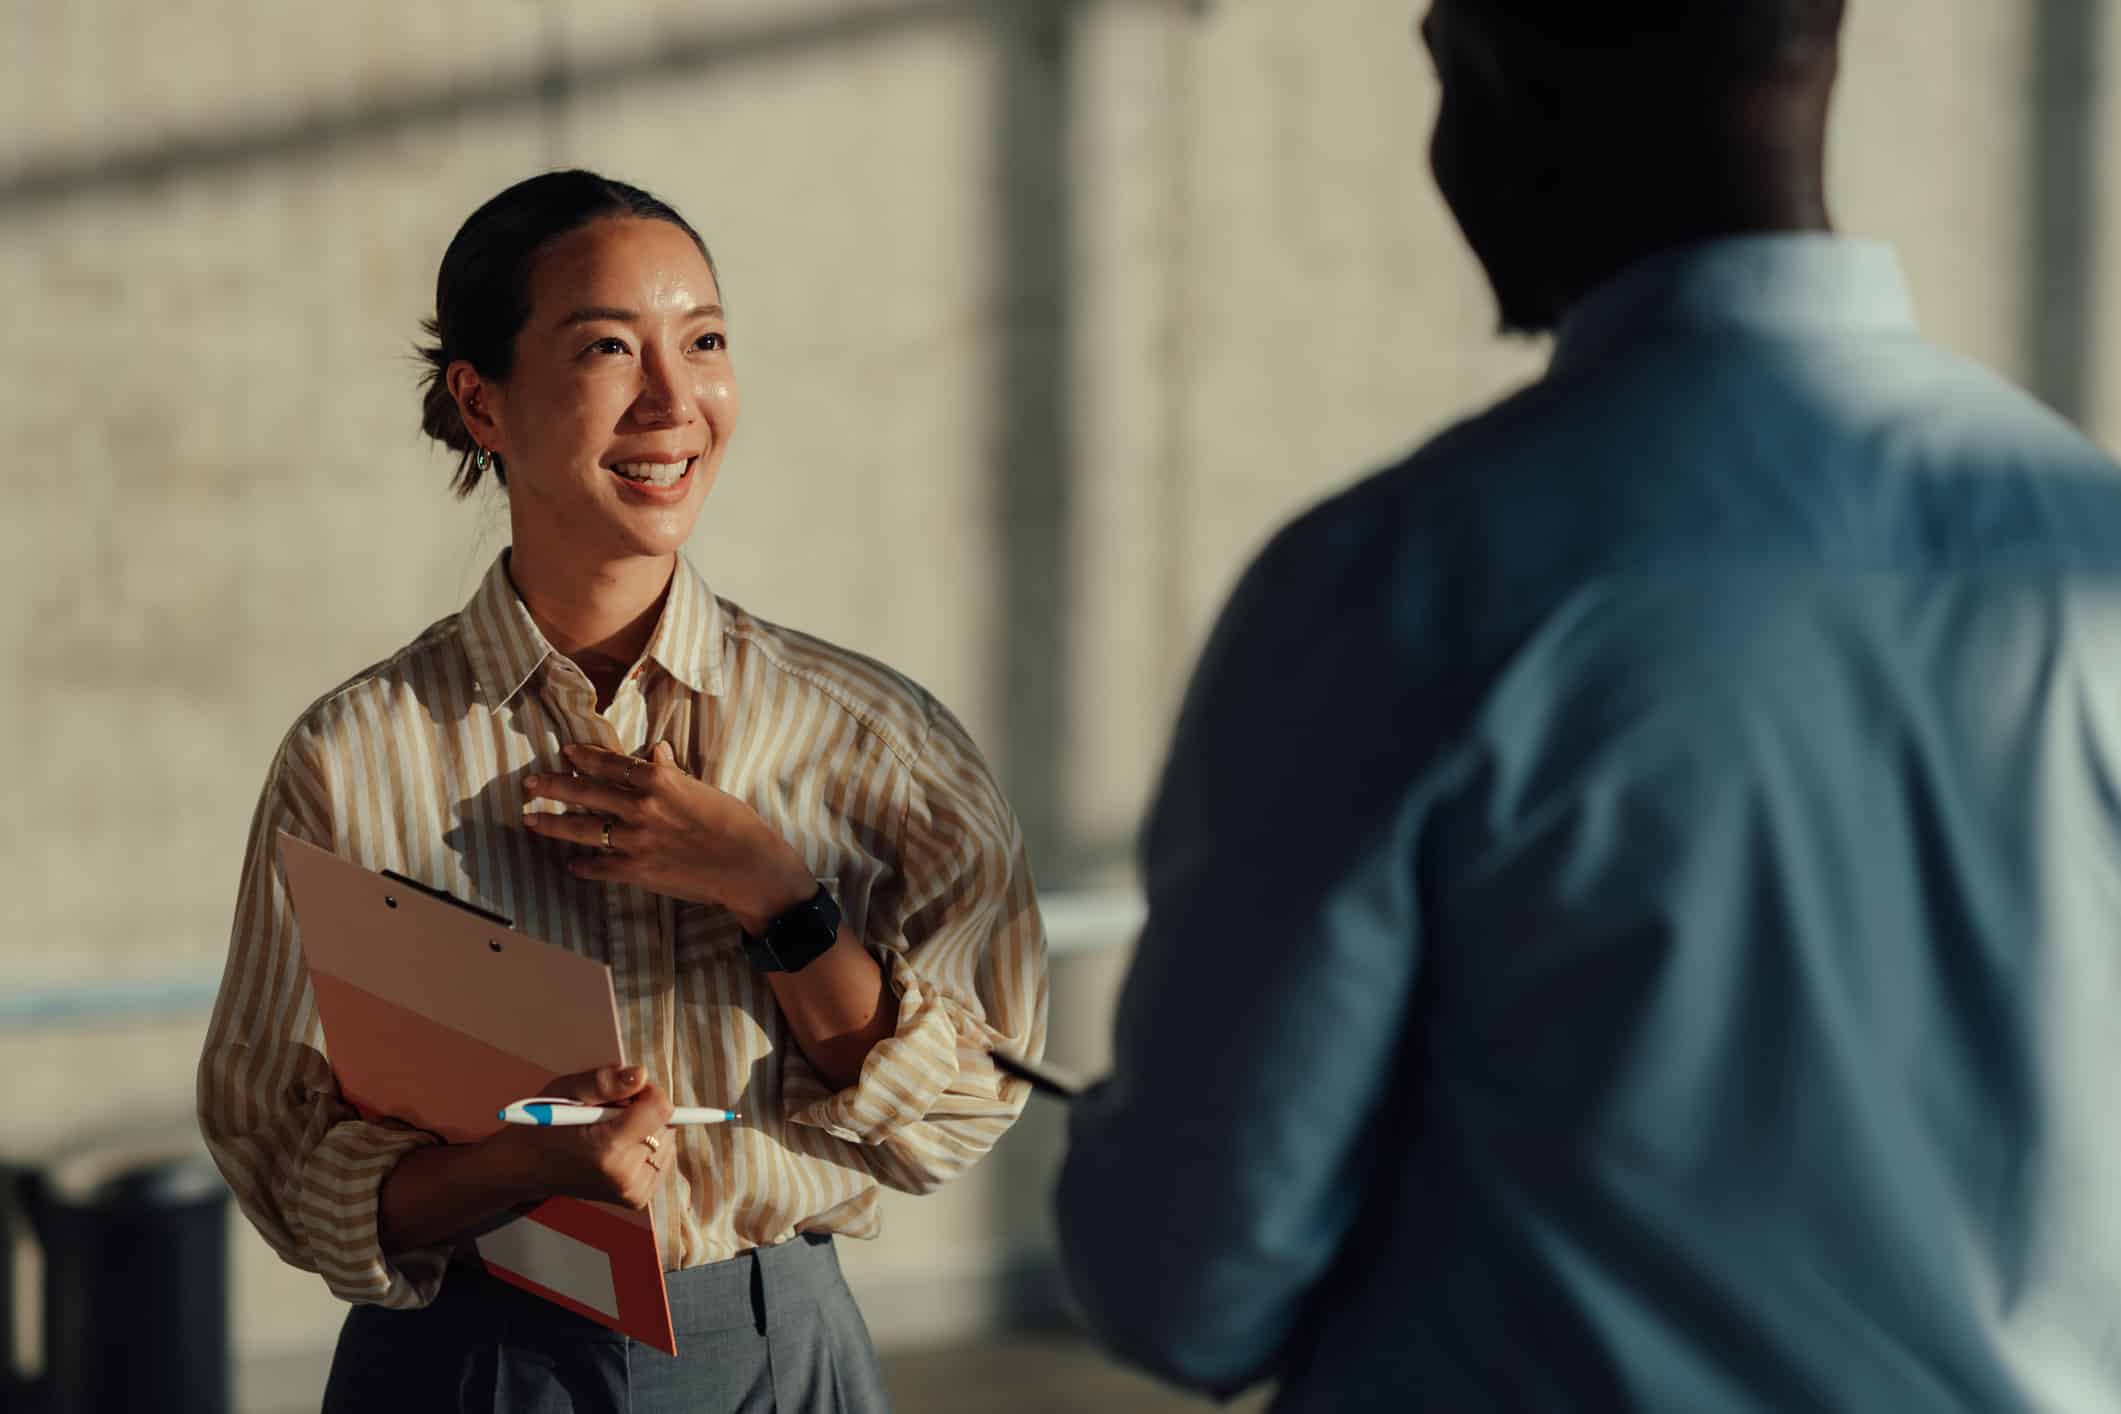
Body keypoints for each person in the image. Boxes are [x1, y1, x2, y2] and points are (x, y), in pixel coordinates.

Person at [1056, 2, 2121, 1408]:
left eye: (1441, 67)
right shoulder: (2085, 536)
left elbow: (1190, 1286)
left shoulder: (1404, 585)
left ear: (1508, 71)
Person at [197, 170, 1048, 1411]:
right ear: (479, 403)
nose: (675, 399)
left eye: (703, 339)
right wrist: (511, 1163)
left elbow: (970, 1102)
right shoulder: (353, 756)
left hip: (779, 1349)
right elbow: (278, 1151)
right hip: (470, 1360)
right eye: (607, 347)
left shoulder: (876, 739)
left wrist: (774, 891)